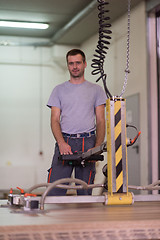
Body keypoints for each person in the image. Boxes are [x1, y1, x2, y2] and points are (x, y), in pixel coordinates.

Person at [47, 49, 106, 195]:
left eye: (78, 63)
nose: (75, 66)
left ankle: (86, 218)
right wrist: (61, 142)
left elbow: (100, 120)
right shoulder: (58, 90)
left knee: (85, 190)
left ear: (85, 64)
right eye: (71, 63)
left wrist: (97, 146)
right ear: (67, 66)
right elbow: (54, 120)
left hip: (88, 142)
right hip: (65, 141)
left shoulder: (96, 90)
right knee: (55, 189)